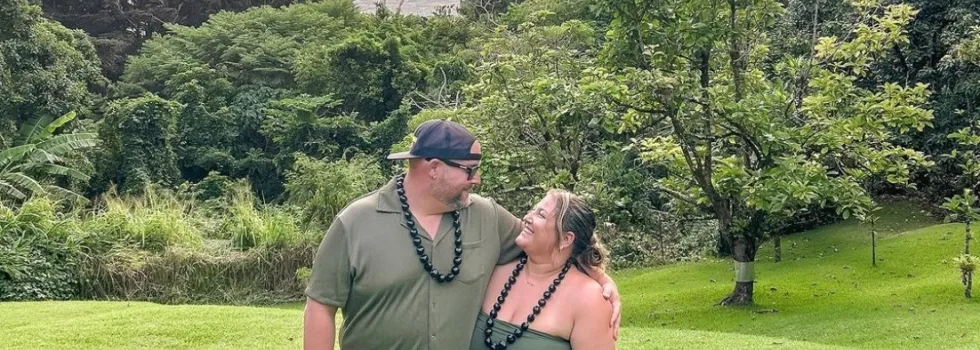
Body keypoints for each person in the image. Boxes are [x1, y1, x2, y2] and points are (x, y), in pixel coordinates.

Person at [303, 119, 620, 350]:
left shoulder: (487, 217)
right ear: (434, 167)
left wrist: (600, 279)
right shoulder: (355, 222)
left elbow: (550, 248)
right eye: (469, 170)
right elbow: (321, 307)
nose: (477, 179)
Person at [471, 189, 615, 350]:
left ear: (566, 239)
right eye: (532, 211)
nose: (526, 218)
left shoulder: (589, 299)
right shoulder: (494, 272)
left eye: (540, 215)